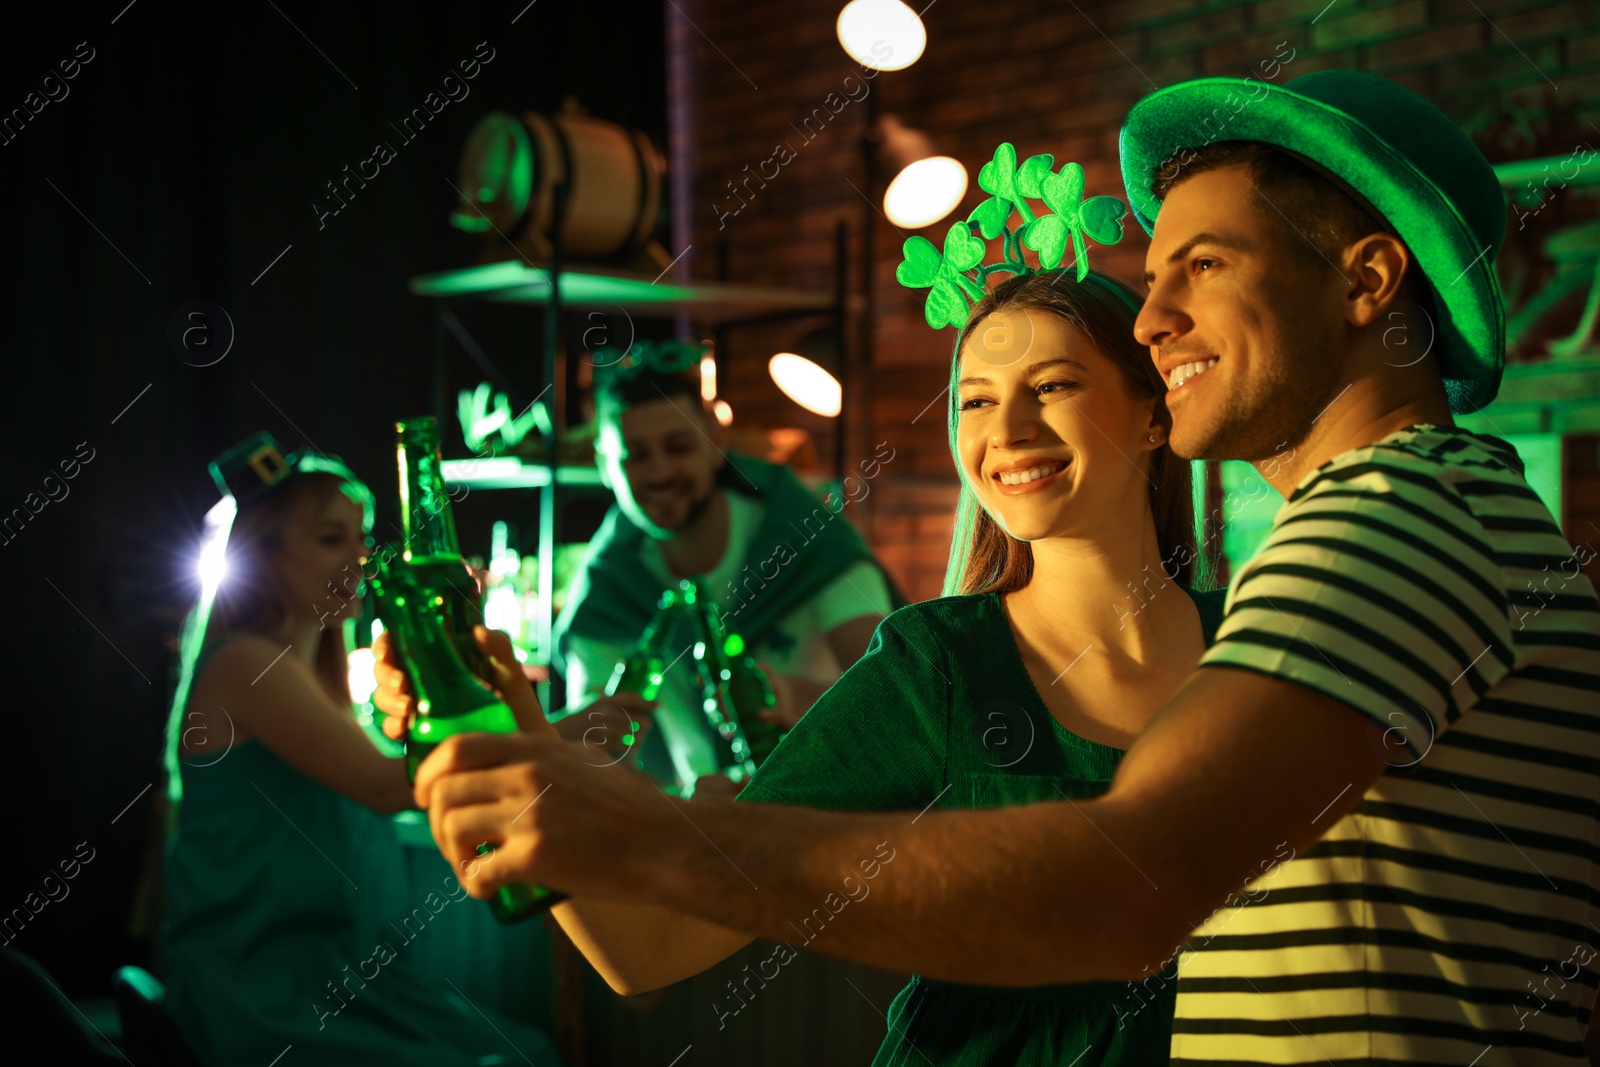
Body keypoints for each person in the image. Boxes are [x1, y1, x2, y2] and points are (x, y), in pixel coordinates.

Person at [399, 70, 1600, 1064]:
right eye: (973, 399)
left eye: (1202, 266)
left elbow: (1131, 879)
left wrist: (650, 835)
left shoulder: (1395, 516)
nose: (1152, 315)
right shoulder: (973, 654)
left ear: (1366, 281)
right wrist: (533, 757)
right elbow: (648, 944)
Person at [380, 252, 1230, 1062]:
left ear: (1154, 412)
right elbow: (651, 946)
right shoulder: (935, 667)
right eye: (973, 401)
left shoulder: (1259, 642)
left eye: (1052, 385)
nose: (1006, 429)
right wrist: (514, 748)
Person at [159, 433, 563, 1067]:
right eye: (330, 539)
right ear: (263, 556)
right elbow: (385, 785)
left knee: (528, 1050)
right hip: (263, 989)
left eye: (362, 535)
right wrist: (553, 730)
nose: (362, 557)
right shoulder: (247, 664)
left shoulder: (314, 672)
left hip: (341, 978)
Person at [552, 341, 903, 796]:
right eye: (635, 455)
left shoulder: (809, 542)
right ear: (603, 463)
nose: (659, 473)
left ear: (716, 442)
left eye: (678, 447)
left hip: (827, 821)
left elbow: (895, 702)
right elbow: (599, 749)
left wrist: (799, 700)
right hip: (692, 830)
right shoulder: (608, 589)